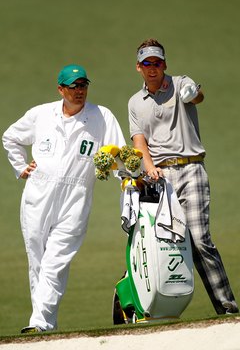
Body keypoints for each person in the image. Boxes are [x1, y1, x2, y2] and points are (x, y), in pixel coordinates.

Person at [2, 64, 126, 333]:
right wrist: (21, 167)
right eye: (73, 86)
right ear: (61, 89)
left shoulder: (101, 116)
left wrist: (127, 183)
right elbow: (10, 137)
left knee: (55, 261)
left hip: (76, 197)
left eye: (83, 85)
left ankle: (39, 322)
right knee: (37, 261)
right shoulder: (41, 114)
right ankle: (44, 324)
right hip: (38, 194)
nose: (79, 91)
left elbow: (120, 154)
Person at [128, 38, 238, 315]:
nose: (152, 68)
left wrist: (193, 93)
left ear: (164, 64)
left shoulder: (180, 83)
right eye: (146, 63)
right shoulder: (135, 103)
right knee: (163, 244)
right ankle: (157, 308)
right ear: (138, 68)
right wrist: (149, 167)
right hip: (161, 176)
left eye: (157, 62)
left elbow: (197, 95)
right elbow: (139, 142)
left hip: (191, 169)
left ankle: (227, 308)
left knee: (200, 239)